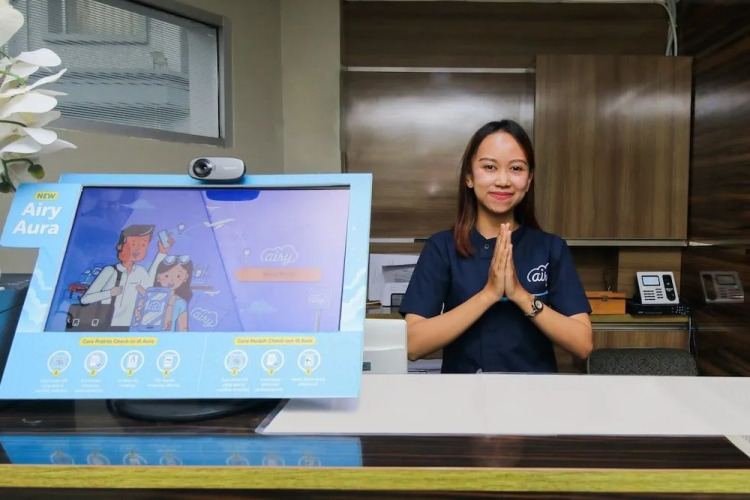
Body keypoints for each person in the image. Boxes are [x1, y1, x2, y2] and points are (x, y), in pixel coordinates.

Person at [399, 119, 593, 373]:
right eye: (489, 167)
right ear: (469, 176)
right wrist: (488, 294)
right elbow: (413, 345)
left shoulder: (551, 248)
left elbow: (582, 344)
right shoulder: (441, 247)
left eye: (516, 168)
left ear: (529, 180)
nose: (503, 180)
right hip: (464, 392)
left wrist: (520, 295)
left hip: (534, 393)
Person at [80, 224, 172, 330]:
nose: (138, 249)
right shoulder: (110, 271)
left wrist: (161, 253)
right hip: (101, 325)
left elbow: (150, 290)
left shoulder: (140, 271)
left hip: (125, 327)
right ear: (120, 246)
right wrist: (109, 293)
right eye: (133, 244)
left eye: (143, 245)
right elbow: (85, 300)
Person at [136, 255, 194, 331]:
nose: (171, 280)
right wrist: (139, 314)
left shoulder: (180, 302)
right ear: (158, 276)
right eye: (166, 276)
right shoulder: (148, 298)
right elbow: (137, 321)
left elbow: (183, 328)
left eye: (178, 276)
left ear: (185, 277)